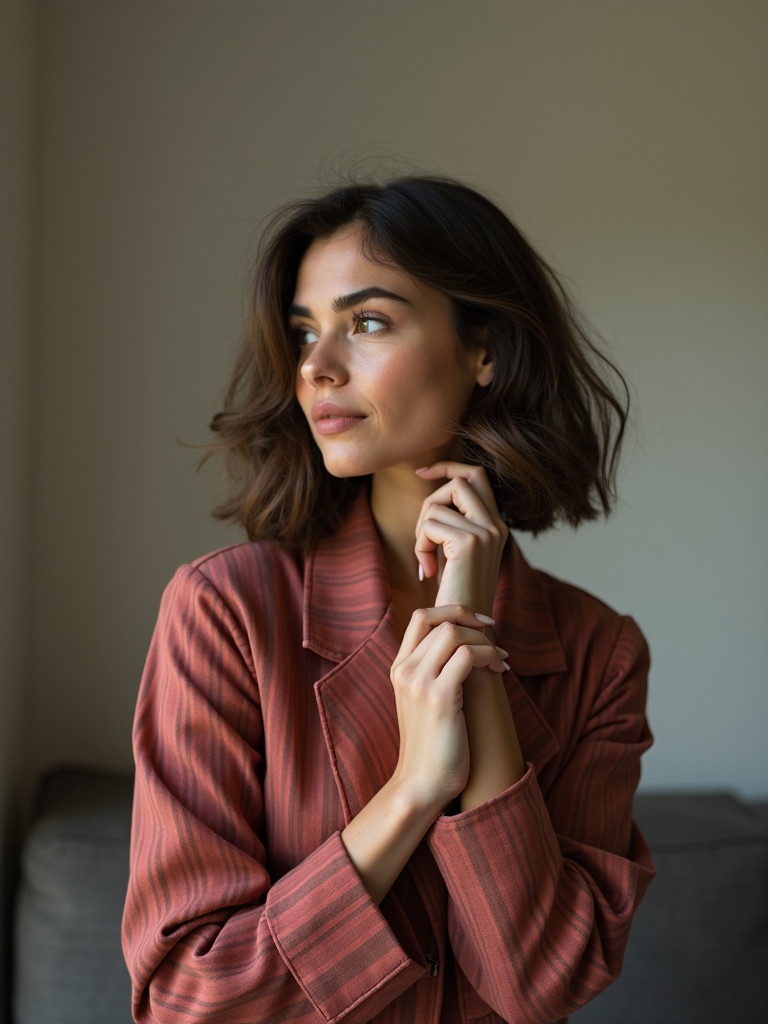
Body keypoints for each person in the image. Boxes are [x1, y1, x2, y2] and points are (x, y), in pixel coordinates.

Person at [122, 176, 655, 1024]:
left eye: (366, 321)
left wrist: (470, 647)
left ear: (484, 348)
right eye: (304, 331)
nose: (315, 368)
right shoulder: (223, 610)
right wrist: (413, 788)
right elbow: (191, 997)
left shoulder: (600, 653)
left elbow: (542, 984)